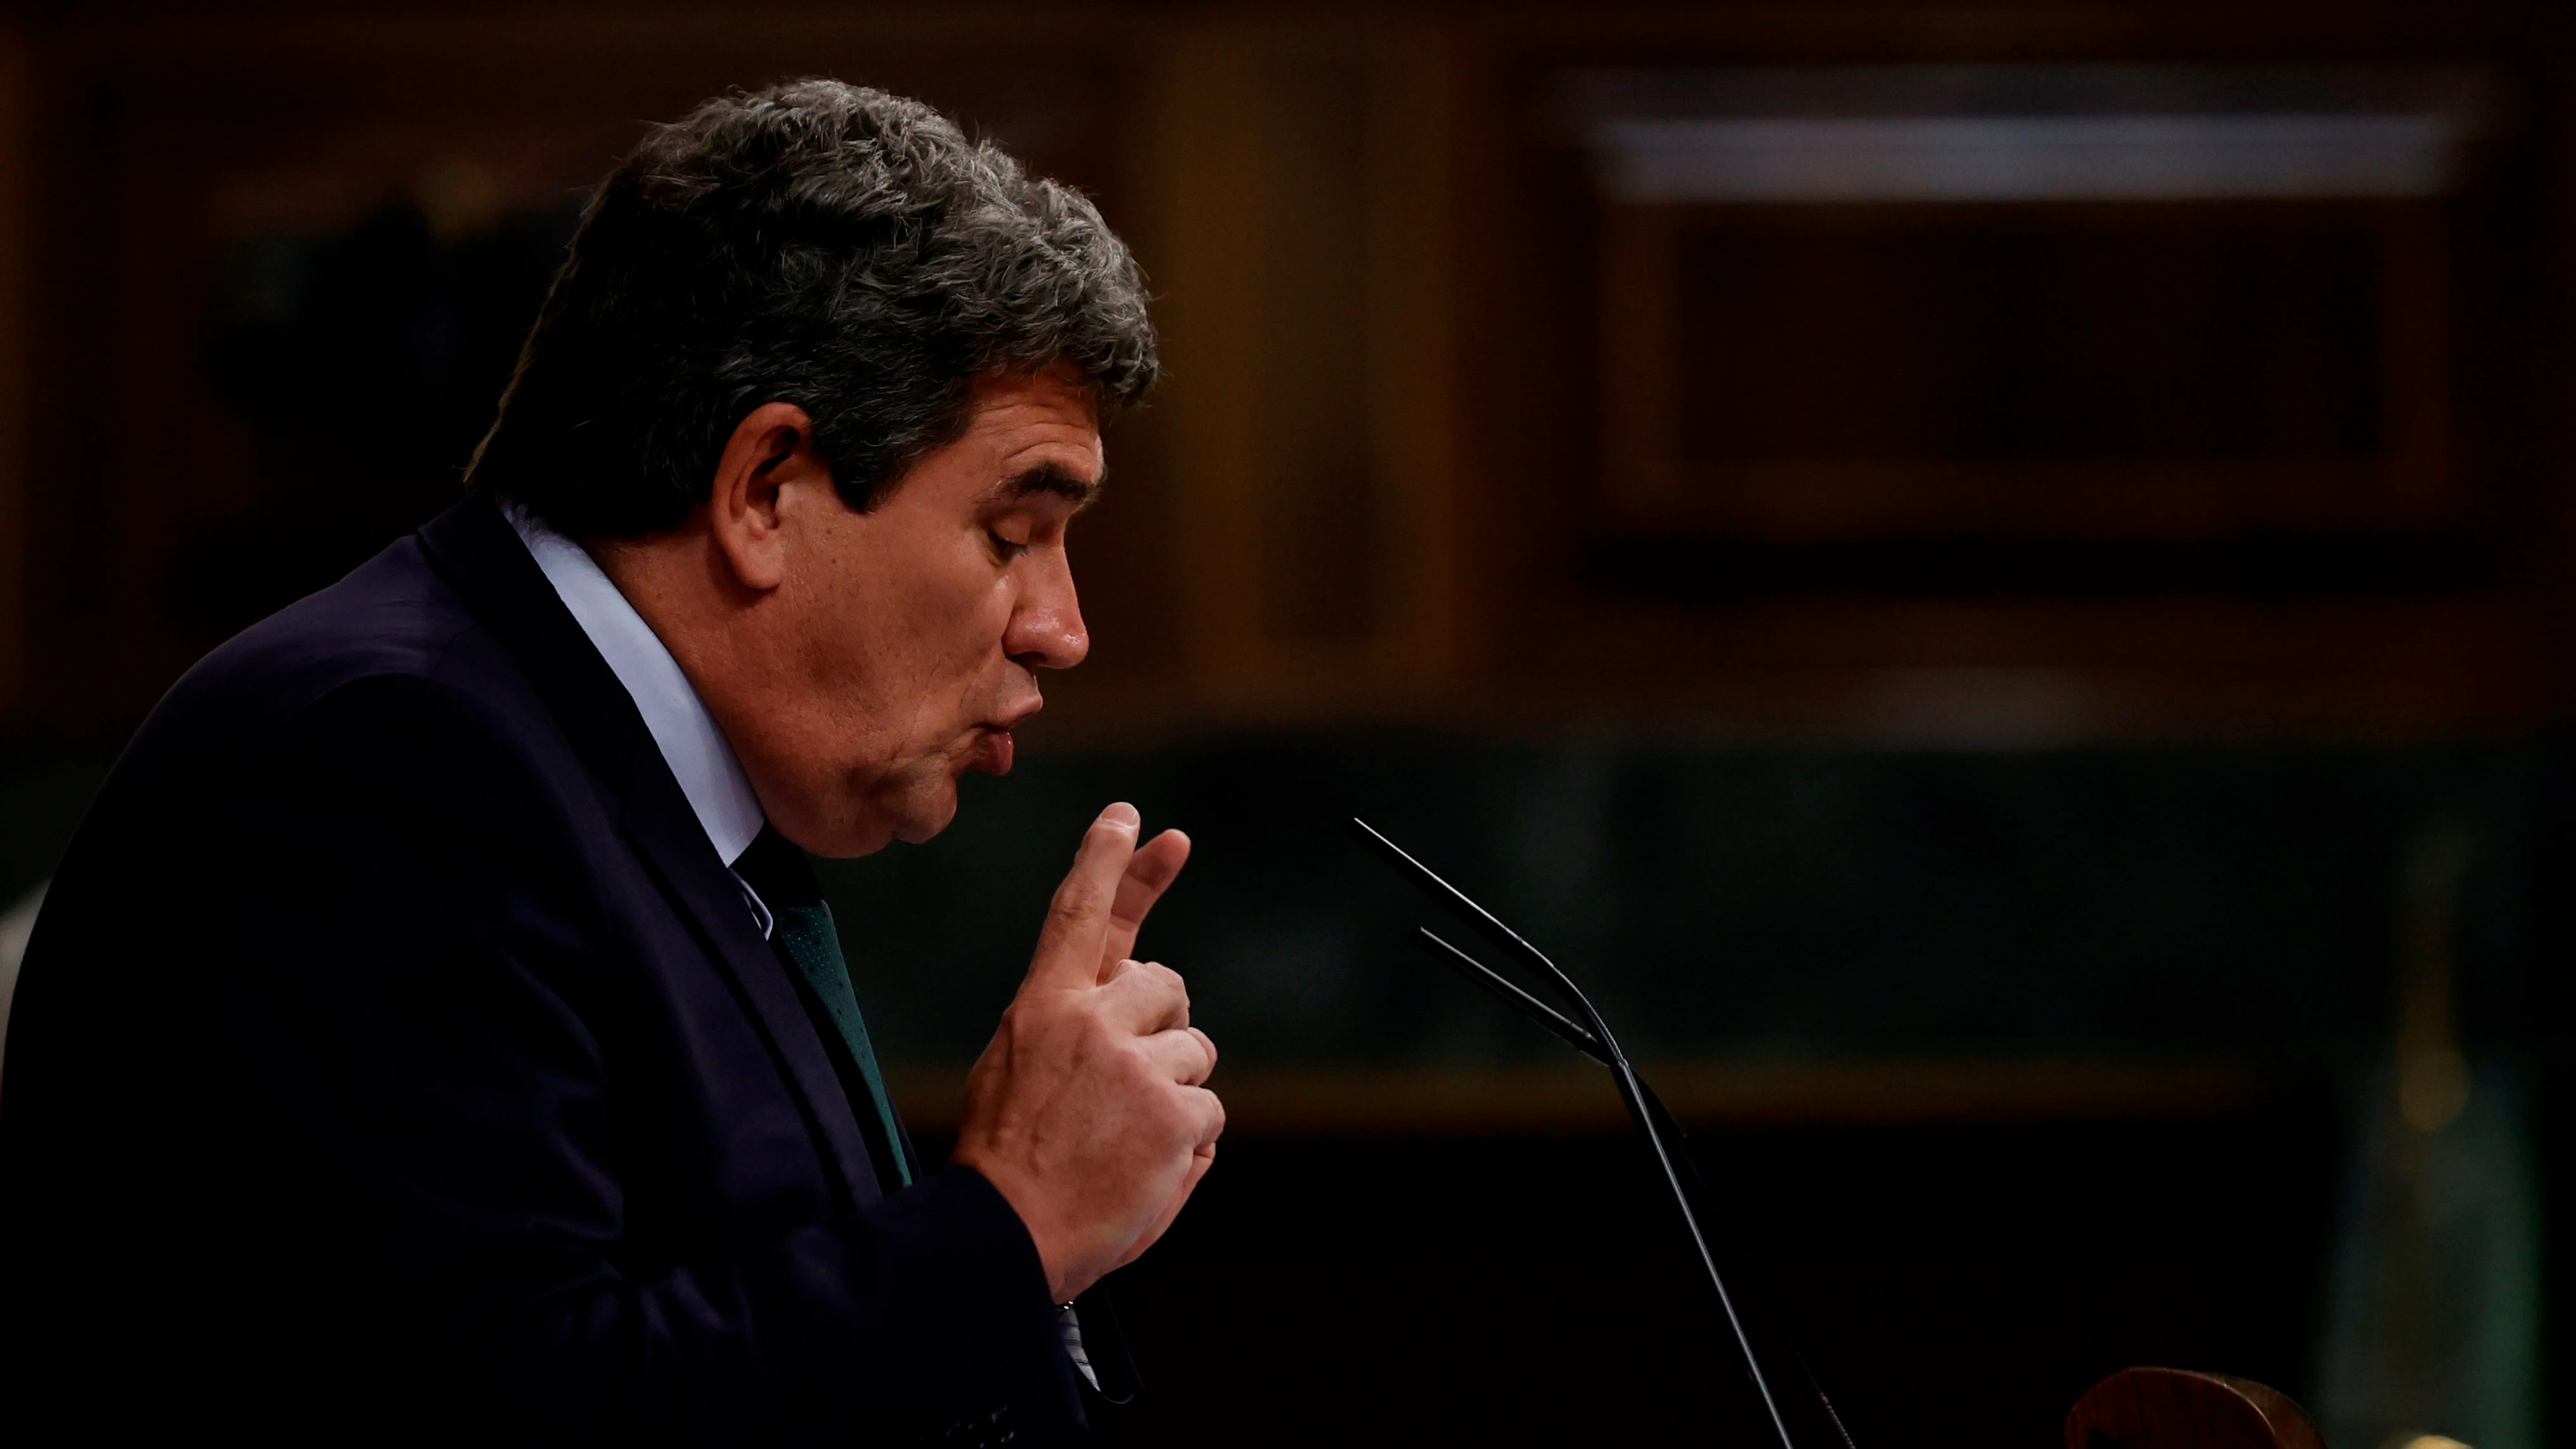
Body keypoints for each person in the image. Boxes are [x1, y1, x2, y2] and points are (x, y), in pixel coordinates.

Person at [0, 80, 1222, 1445]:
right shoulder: (386, 758)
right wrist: (1016, 1225)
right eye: (1012, 531)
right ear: (766, 489)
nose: (1063, 630)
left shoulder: (650, 776)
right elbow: (517, 1417)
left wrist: (1034, 1244)